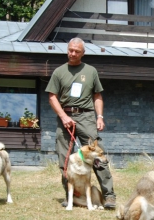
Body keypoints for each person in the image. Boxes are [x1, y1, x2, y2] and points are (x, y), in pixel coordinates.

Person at [45, 37, 116, 209]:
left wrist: (100, 117)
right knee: (65, 159)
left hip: (86, 117)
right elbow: (52, 96)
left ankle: (109, 196)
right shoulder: (59, 72)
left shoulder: (91, 71)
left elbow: (97, 95)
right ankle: (71, 197)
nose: (73, 53)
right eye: (70, 50)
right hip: (65, 117)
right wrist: (63, 116)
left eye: (77, 51)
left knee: (97, 156)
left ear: (83, 53)